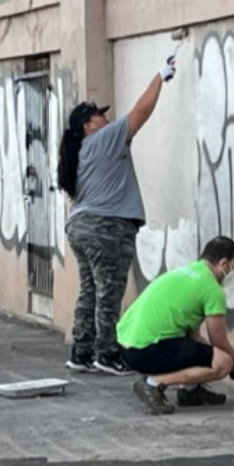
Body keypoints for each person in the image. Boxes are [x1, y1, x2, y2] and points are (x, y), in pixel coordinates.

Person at [59, 49, 179, 376]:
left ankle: (81, 352)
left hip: (81, 227)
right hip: (106, 228)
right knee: (109, 289)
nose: (105, 118)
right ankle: (107, 354)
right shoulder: (105, 139)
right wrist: (160, 76)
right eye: (98, 115)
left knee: (90, 290)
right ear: (88, 125)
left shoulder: (80, 151)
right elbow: (140, 111)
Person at [116, 236, 234, 415]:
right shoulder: (212, 289)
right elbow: (220, 342)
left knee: (201, 350)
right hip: (145, 350)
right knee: (224, 362)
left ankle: (191, 391)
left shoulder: (184, 273)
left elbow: (193, 337)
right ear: (224, 265)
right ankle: (152, 384)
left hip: (126, 345)